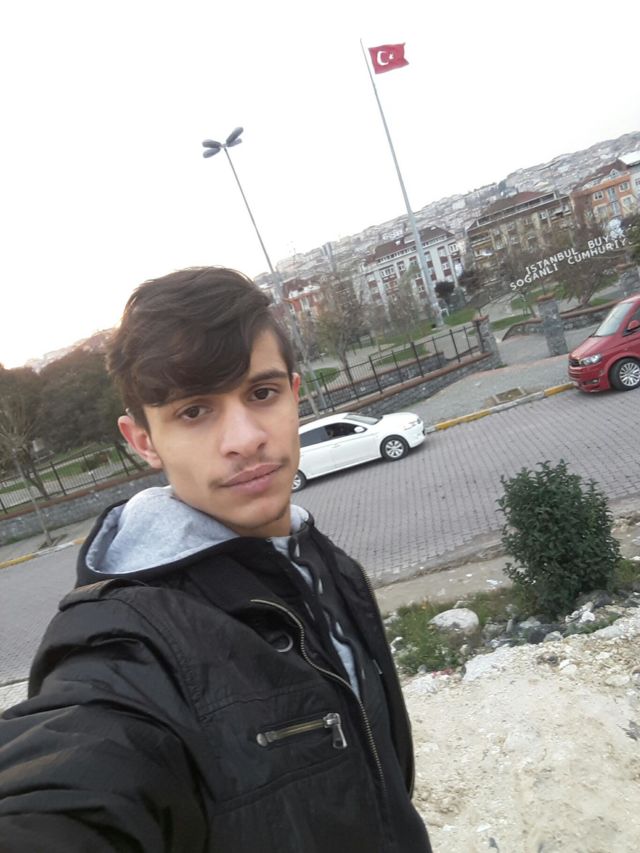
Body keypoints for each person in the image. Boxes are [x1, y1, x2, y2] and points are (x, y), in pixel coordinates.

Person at [0, 267, 432, 852]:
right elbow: (73, 775)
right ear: (143, 441)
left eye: (262, 393)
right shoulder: (131, 642)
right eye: (194, 411)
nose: (245, 438)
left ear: (295, 394)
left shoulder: (327, 565)